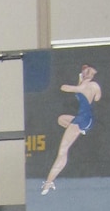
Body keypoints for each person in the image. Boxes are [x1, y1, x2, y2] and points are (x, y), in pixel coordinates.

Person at [41, 63, 101, 192]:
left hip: (83, 119)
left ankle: (49, 182)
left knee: (63, 150)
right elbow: (96, 98)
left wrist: (81, 84)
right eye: (83, 71)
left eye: (88, 71)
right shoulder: (86, 85)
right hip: (83, 118)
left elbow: (66, 88)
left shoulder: (90, 85)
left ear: (93, 72)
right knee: (61, 119)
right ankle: (78, 131)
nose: (85, 73)